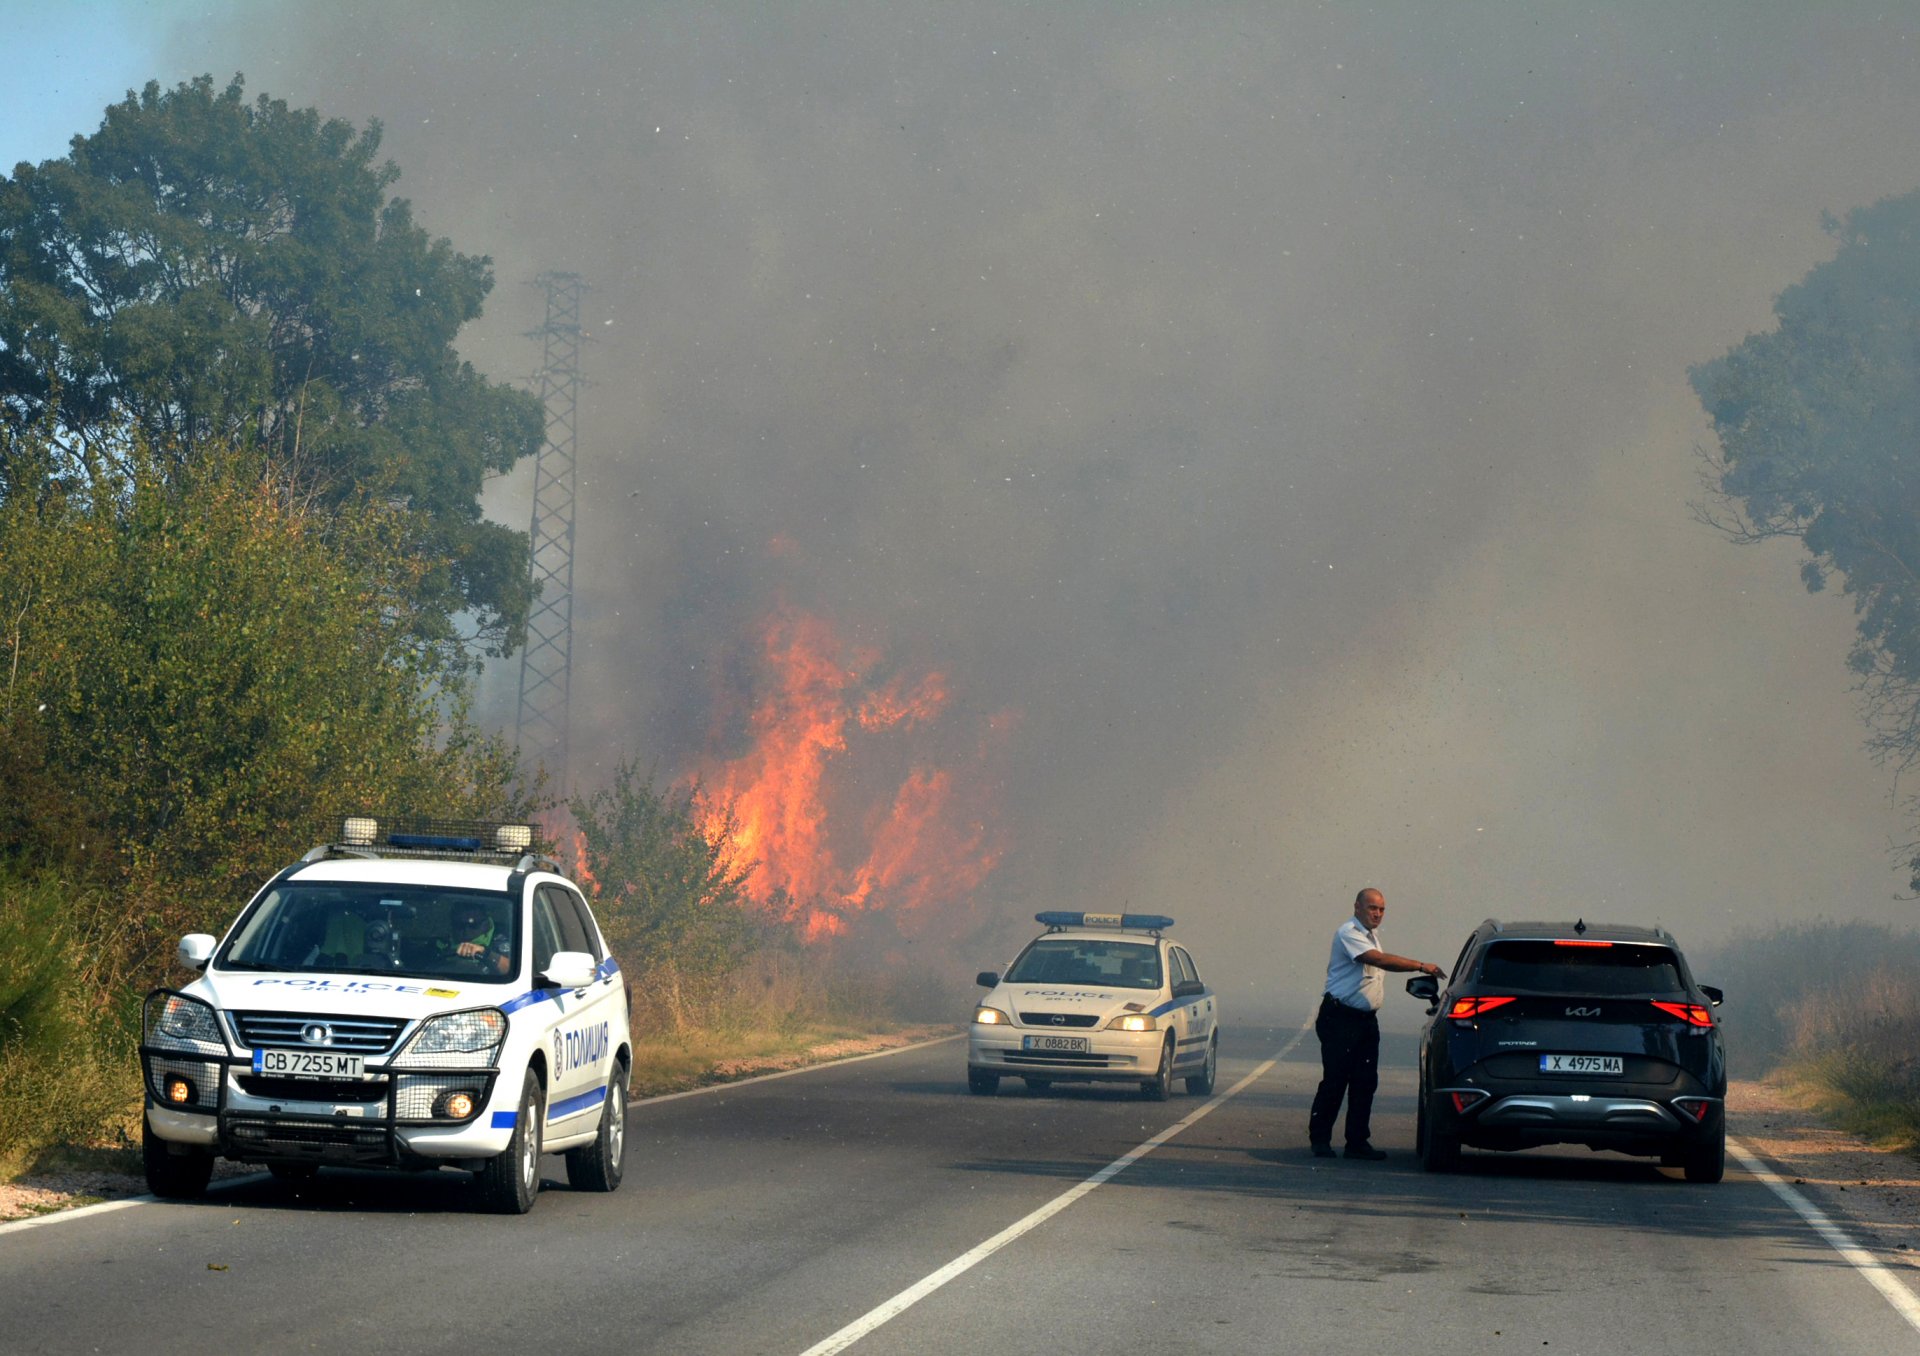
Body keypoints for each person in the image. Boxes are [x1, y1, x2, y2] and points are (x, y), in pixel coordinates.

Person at [1308, 887, 1444, 1161]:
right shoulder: (1349, 933)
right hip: (1340, 1018)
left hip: (1365, 1021)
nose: (1378, 914)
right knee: (1336, 1081)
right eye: (1372, 908)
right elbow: (1377, 960)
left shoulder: (1372, 936)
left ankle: (1357, 1142)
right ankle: (1320, 1139)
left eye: (1382, 909)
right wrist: (1420, 965)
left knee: (1365, 1082)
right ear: (1357, 907)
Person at [438, 903, 508, 975]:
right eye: (459, 925)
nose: (466, 931)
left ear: (487, 924)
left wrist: (486, 954)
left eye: (474, 925)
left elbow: (511, 970)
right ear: (452, 927)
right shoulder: (439, 945)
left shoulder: (505, 941)